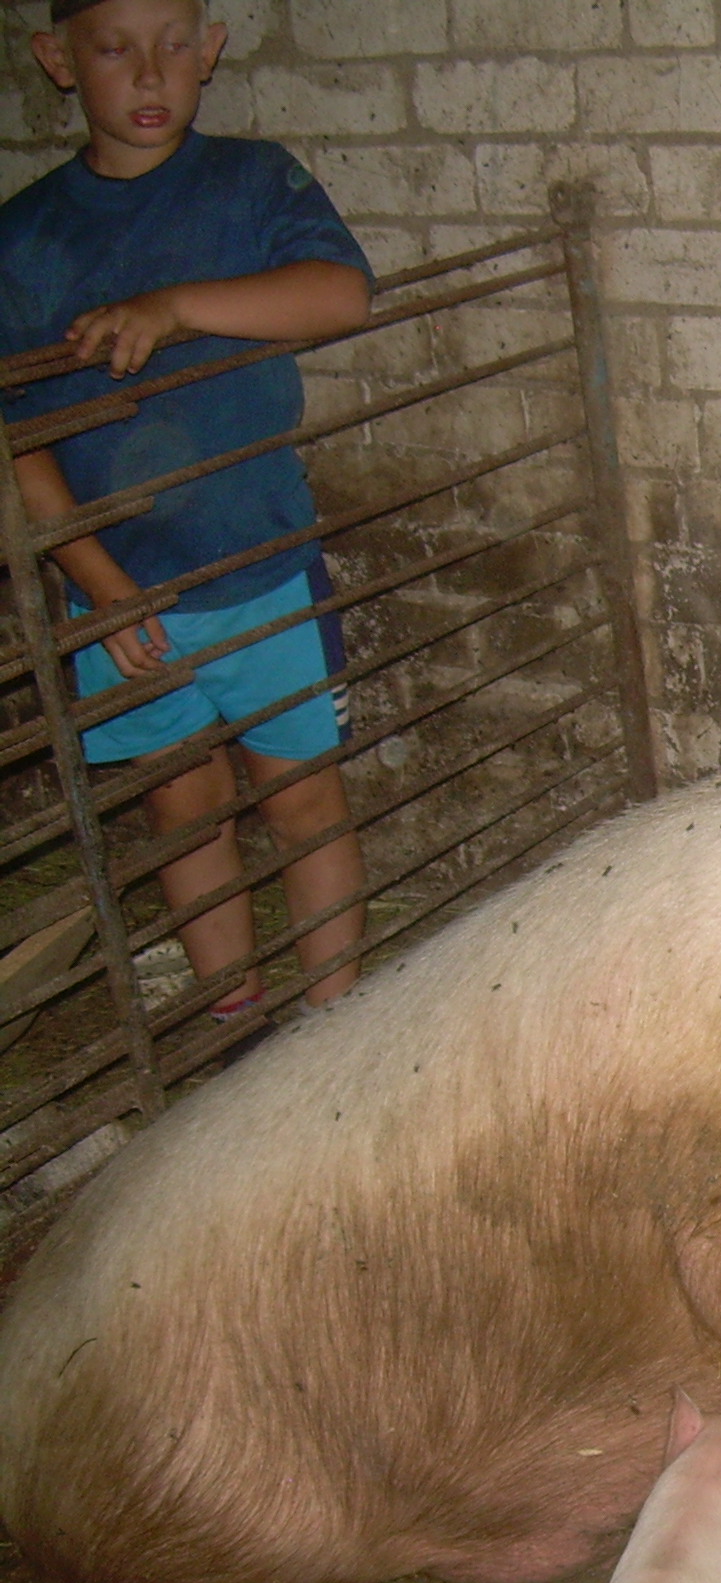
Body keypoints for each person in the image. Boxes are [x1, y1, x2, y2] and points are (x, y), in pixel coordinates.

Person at [0, 0, 375, 1033]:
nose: (150, 74)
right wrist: (103, 591)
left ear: (210, 49)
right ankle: (237, 1026)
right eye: (115, 48)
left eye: (175, 43)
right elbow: (20, 447)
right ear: (58, 60)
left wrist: (176, 308)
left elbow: (340, 295)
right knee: (182, 805)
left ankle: (336, 1031)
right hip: (121, 592)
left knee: (302, 796)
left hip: (263, 568)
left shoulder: (253, 183)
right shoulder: (22, 239)